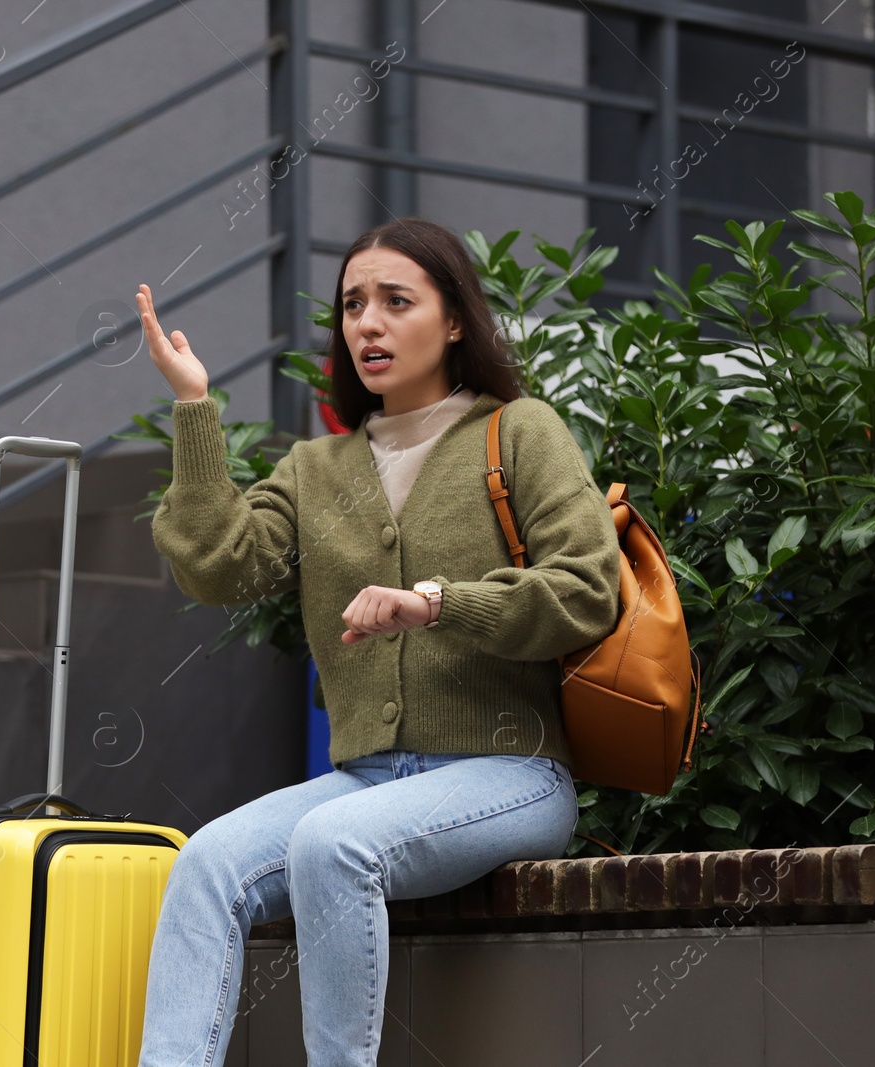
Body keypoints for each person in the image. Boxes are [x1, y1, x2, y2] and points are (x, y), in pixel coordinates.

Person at [133, 216, 622, 1067]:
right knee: (207, 861)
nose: (368, 323)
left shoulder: (520, 432)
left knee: (333, 845)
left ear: (456, 318)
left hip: (510, 771)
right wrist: (193, 407)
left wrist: (437, 603)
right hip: (365, 780)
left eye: (397, 300)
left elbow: (586, 594)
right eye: (354, 304)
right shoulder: (317, 469)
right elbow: (222, 570)